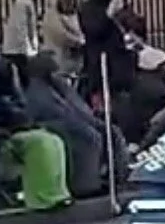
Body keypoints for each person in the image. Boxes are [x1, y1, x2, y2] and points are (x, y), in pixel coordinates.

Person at [18, 52, 106, 198]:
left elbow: (75, 105)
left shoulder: (57, 84)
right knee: (88, 137)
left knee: (106, 131)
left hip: (68, 119)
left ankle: (104, 176)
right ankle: (84, 185)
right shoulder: (36, 90)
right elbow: (51, 111)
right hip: (50, 123)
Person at [0, 55, 71, 212]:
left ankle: (54, 195)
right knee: (39, 143)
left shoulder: (1, 69)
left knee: (52, 140)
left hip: (4, 129)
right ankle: (41, 199)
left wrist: (14, 118)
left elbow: (16, 104)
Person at [2, 0, 42, 83]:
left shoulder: (25, 2)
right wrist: (29, 50)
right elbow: (22, 28)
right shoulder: (23, 3)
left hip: (19, 50)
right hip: (18, 52)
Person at [41, 0, 85, 79]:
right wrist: (80, 42)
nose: (72, 2)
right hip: (59, 66)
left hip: (75, 66)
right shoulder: (51, 16)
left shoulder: (74, 15)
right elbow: (62, 36)